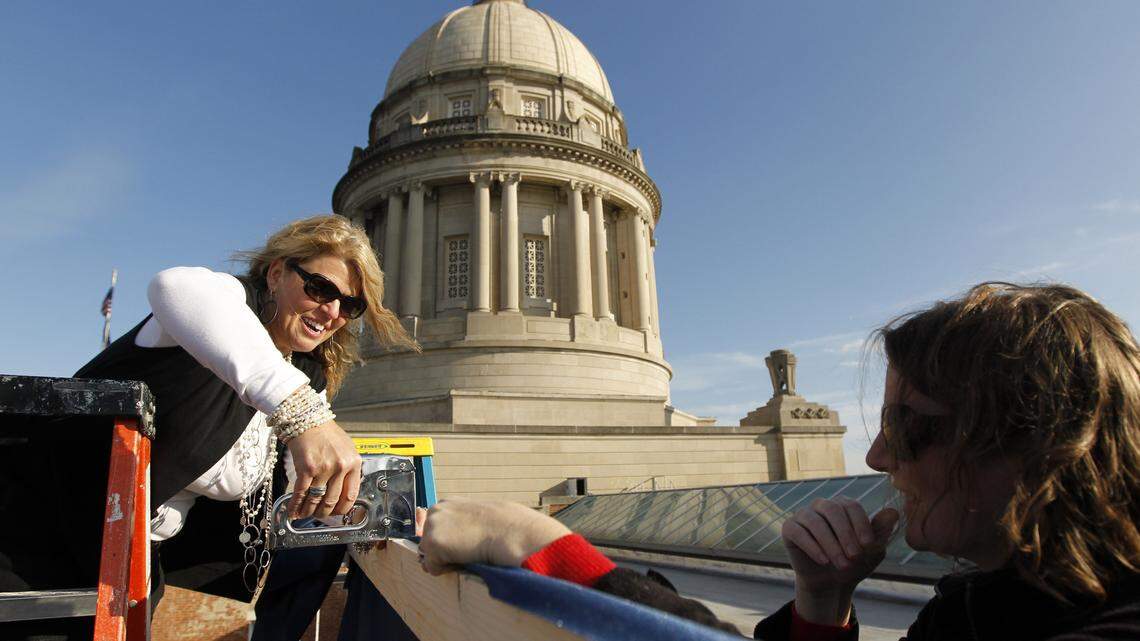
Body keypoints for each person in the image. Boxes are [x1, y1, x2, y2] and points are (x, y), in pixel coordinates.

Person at [417, 282, 1140, 640]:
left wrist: (549, 549)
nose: (876, 453)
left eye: (906, 425)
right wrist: (822, 607)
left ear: (1032, 440)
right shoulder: (981, 605)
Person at [1, 215, 416, 640]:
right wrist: (302, 413)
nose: (331, 312)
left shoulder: (307, 374)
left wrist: (396, 513)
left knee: (313, 558)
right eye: (320, 288)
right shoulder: (227, 311)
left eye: (349, 306)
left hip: (135, 562)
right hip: (34, 538)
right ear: (276, 273)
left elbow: (303, 485)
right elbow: (175, 286)